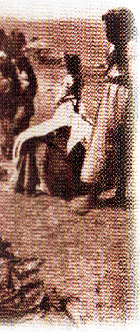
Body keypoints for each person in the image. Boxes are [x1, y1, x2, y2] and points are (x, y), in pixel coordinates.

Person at [71, 8, 136, 213]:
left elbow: (133, 77)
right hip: (111, 97)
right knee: (107, 142)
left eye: (110, 27)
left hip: (123, 99)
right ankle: (112, 192)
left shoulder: (132, 48)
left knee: (112, 143)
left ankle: (99, 193)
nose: (106, 31)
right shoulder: (114, 47)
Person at [12, 54, 89, 197]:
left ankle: (28, 183)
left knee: (29, 139)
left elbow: (58, 99)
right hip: (73, 112)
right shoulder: (78, 81)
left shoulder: (68, 80)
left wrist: (61, 100)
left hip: (65, 112)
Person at [0, 59, 20, 159]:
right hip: (9, 110)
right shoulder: (12, 81)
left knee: (2, 131)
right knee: (8, 131)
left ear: (3, 71)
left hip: (2, 111)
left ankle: (5, 154)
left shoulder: (4, 83)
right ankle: (10, 151)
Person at [13, 56, 38, 136]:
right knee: (23, 126)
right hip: (26, 104)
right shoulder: (27, 73)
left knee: (21, 126)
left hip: (25, 105)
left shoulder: (25, 74)